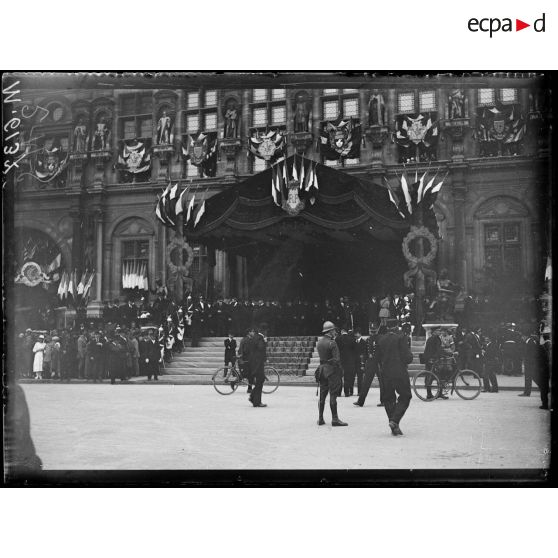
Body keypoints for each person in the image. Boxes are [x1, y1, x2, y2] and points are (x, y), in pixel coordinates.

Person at [376, 321, 414, 436]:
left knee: (388, 399)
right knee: (406, 396)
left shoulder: (381, 339)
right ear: (397, 326)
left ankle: (393, 424)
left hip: (385, 373)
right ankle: (395, 420)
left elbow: (377, 357)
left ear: (387, 327)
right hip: (399, 372)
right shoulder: (401, 337)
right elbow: (407, 357)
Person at [315, 321, 348, 426]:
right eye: (334, 330)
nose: (335, 332)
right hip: (332, 371)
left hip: (322, 371)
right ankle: (335, 419)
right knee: (333, 395)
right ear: (330, 331)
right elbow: (337, 359)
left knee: (322, 396)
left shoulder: (319, 342)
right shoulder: (332, 343)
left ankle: (320, 418)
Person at [354, 325, 386, 407]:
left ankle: (383, 401)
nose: (372, 332)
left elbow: (383, 352)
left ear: (377, 330)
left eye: (374, 331)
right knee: (366, 383)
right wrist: (363, 363)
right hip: (370, 363)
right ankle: (360, 401)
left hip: (379, 363)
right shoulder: (368, 339)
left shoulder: (381, 338)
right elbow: (365, 352)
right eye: (371, 331)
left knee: (382, 383)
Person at [248, 324, 268, 408]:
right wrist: (265, 342)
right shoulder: (260, 338)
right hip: (258, 364)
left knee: (260, 381)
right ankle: (257, 402)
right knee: (260, 381)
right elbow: (260, 348)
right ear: (264, 330)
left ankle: (253, 397)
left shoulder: (255, 337)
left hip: (254, 363)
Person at [336, 327, 357, 396]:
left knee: (339, 377)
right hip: (349, 360)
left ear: (342, 331)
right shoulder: (352, 339)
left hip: (340, 360)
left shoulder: (337, 339)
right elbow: (354, 350)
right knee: (347, 377)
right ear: (347, 331)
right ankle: (346, 392)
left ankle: (338, 392)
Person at [238, 328, 254, 393]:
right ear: (249, 332)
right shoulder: (248, 340)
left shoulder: (244, 339)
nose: (253, 333)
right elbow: (245, 350)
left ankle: (250, 387)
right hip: (247, 359)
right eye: (252, 331)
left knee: (247, 373)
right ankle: (249, 388)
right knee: (250, 373)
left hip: (245, 358)